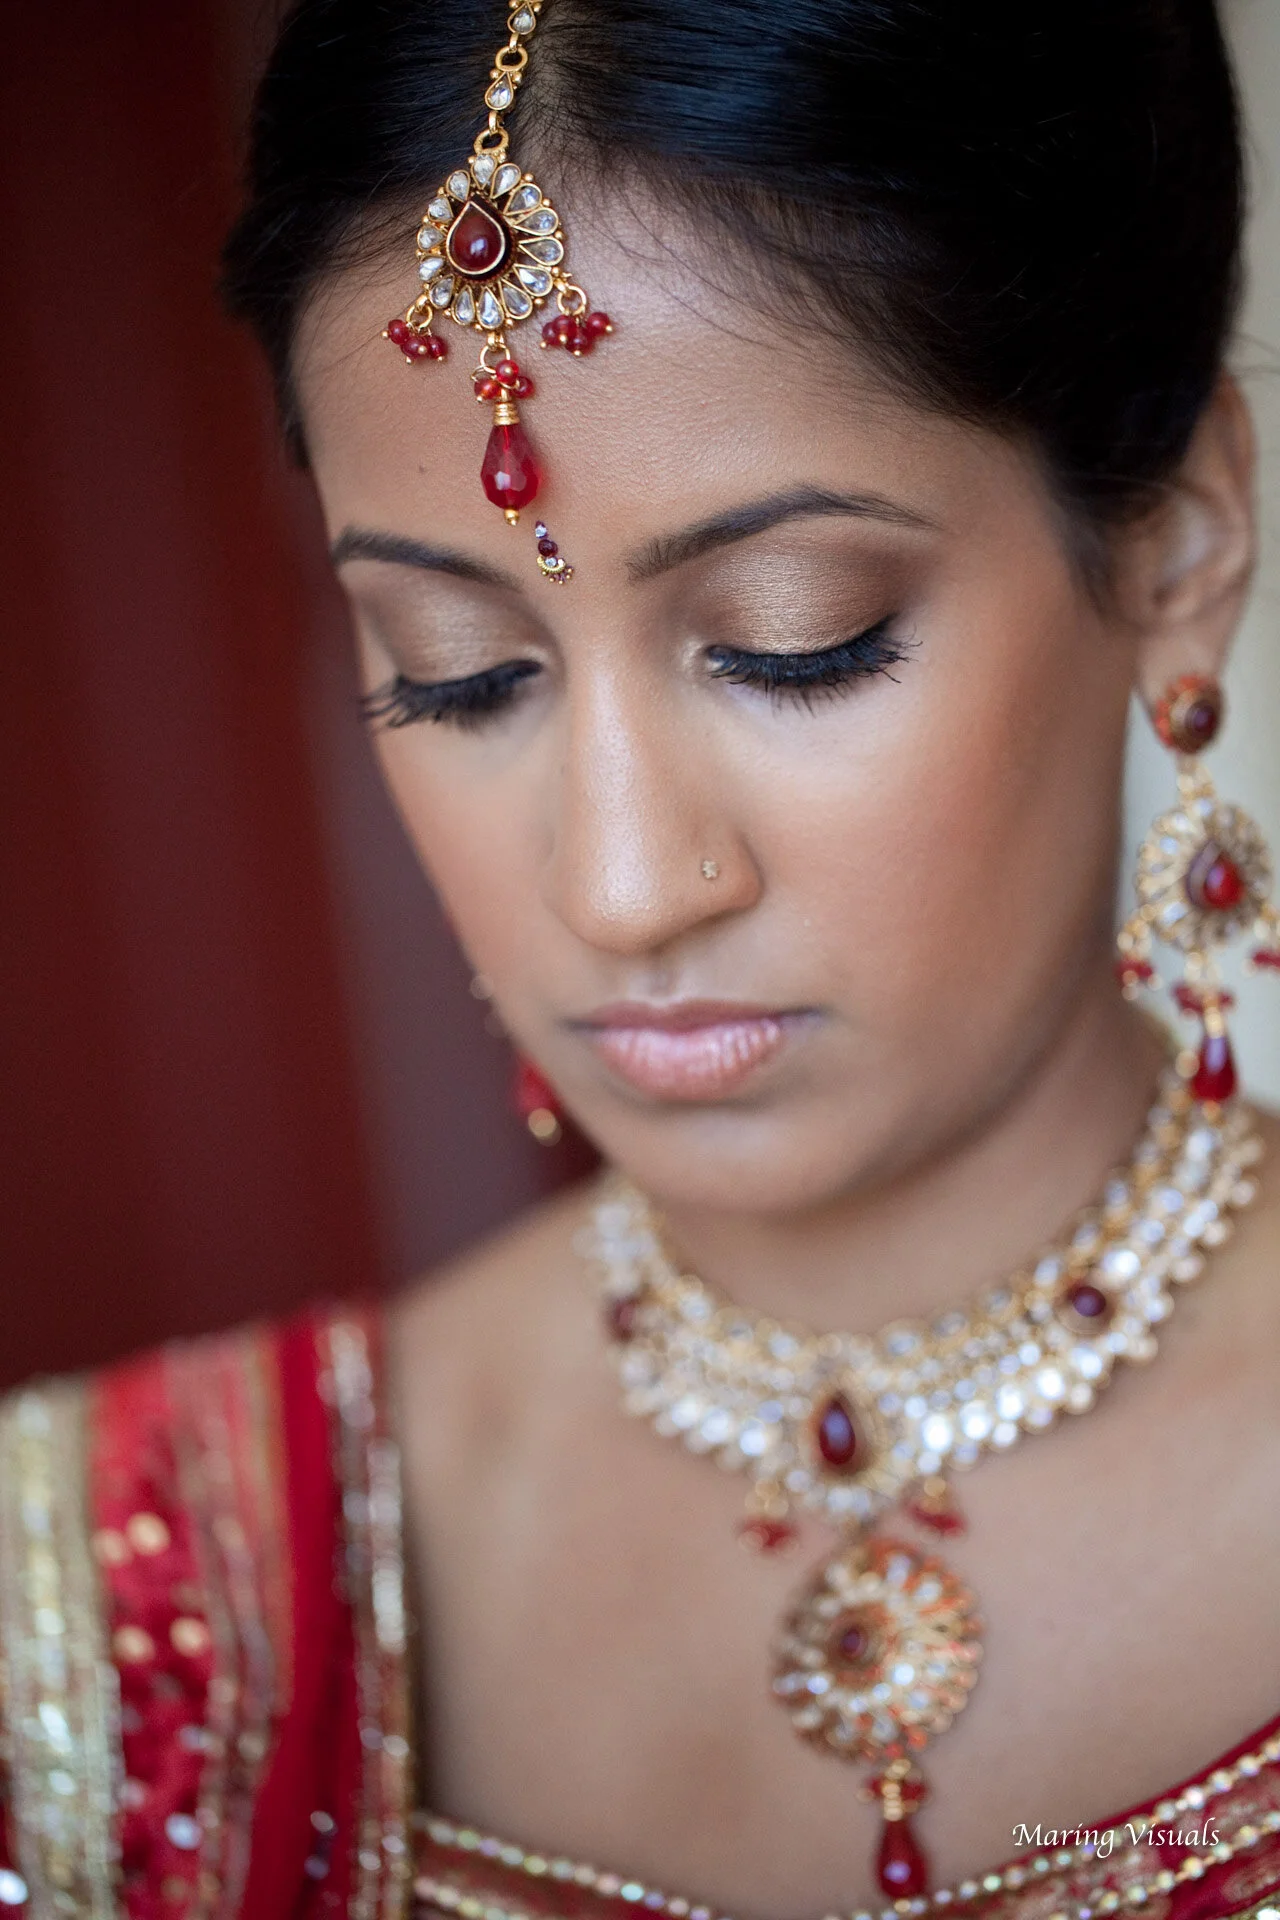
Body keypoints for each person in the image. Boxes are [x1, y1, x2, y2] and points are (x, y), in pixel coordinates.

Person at [3, 2, 1280, 1916]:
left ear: (1179, 542)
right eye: (460, 671)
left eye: (795, 638)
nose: (621, 888)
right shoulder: (94, 1602)